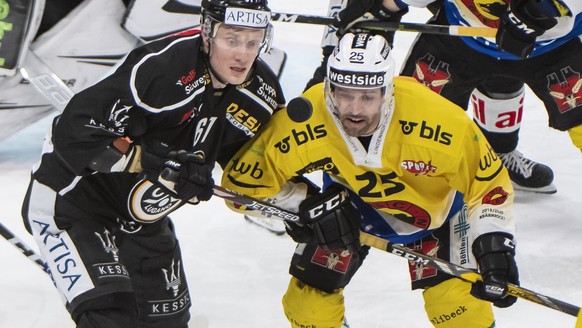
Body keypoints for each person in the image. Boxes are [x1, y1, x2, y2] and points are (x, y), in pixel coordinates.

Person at [222, 32, 519, 328]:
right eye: (344, 94)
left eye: (367, 96)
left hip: (438, 215)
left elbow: (489, 185)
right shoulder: (307, 116)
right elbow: (241, 184)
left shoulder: (441, 121)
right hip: (349, 215)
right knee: (307, 309)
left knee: (460, 310)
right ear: (329, 88)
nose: (353, 109)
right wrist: (307, 205)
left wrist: (494, 245)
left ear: (386, 92)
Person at [20, 0, 285, 327]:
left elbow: (254, 169)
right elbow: (72, 133)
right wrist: (146, 159)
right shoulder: (163, 69)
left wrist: (304, 204)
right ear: (207, 32)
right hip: (74, 205)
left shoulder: (261, 95)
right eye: (232, 39)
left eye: (253, 40)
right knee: (111, 316)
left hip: (142, 222)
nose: (243, 54)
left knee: (168, 323)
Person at [398, 0, 582, 193]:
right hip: (461, 35)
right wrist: (381, 10)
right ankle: (408, 192)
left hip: (554, 47)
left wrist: (541, 10)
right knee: (416, 116)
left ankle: (496, 156)